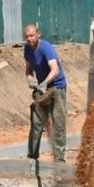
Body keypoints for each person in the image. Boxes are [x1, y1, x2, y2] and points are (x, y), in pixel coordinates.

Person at [23, 24, 67, 163]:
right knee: (36, 122)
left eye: (32, 36)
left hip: (56, 87)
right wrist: (30, 79)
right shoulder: (27, 49)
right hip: (42, 90)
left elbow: (55, 70)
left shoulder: (46, 48)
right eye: (27, 36)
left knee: (58, 123)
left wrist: (44, 83)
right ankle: (32, 157)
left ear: (38, 34)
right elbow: (29, 69)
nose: (29, 39)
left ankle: (59, 160)